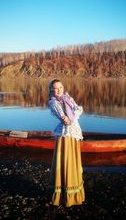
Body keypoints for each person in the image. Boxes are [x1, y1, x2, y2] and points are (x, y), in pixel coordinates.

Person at [48, 79, 85, 207]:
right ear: (51, 90)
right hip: (65, 135)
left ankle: (74, 194)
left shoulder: (68, 98)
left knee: (73, 161)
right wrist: (73, 115)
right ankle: (64, 196)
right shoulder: (53, 103)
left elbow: (79, 109)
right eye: (55, 89)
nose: (58, 91)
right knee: (66, 162)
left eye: (60, 88)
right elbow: (66, 120)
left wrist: (73, 115)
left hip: (74, 134)